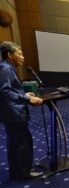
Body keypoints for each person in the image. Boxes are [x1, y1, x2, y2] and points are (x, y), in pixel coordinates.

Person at [0, 41, 43, 180]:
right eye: (19, 53)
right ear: (9, 55)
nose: (23, 57)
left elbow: (10, 89)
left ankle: (16, 171)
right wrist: (27, 99)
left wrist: (25, 95)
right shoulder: (6, 69)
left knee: (13, 143)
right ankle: (25, 172)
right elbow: (5, 91)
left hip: (9, 113)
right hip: (14, 113)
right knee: (24, 142)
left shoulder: (7, 67)